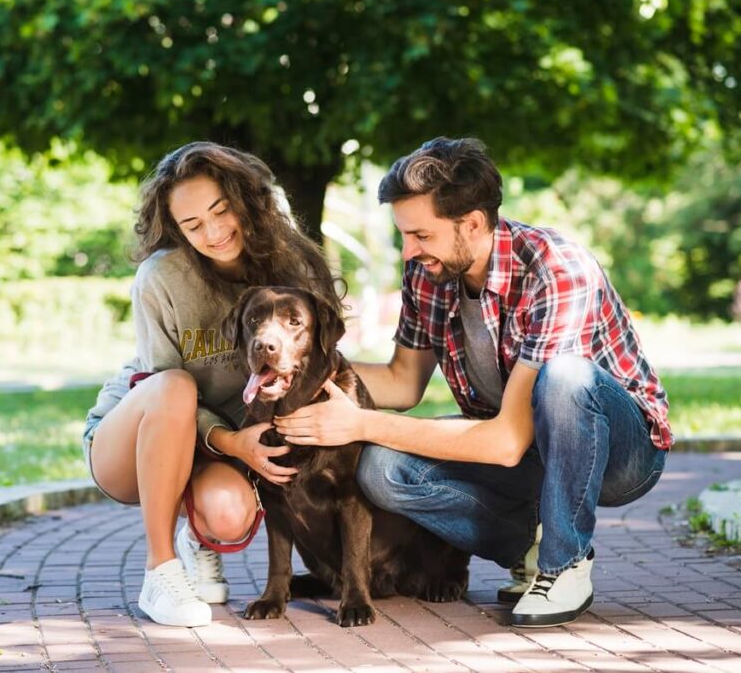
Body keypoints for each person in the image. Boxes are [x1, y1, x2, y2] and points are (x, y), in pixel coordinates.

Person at [274, 137, 672, 628]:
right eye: (403, 235)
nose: (407, 252)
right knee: (380, 470)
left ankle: (564, 561)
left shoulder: (556, 268)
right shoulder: (427, 274)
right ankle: (529, 547)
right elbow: (402, 382)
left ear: (474, 223)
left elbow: (507, 441)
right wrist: (299, 375)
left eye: (420, 235)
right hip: (523, 447)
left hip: (619, 453)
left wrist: (357, 422)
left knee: (565, 378)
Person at [83, 141, 342, 628]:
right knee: (176, 386)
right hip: (136, 434)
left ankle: (198, 536)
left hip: (227, 441)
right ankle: (160, 571)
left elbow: (320, 360)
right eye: (192, 224)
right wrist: (228, 440)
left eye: (221, 211)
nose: (214, 232)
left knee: (227, 514)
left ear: (245, 201)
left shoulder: (296, 267)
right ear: (175, 230)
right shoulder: (160, 278)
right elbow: (156, 382)